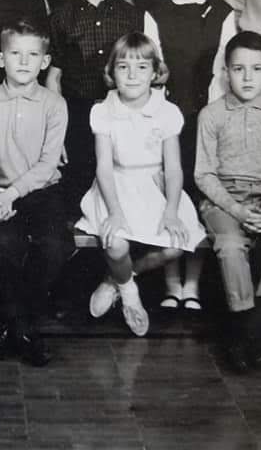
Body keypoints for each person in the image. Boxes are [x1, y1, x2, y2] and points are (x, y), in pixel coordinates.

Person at [79, 33, 206, 337]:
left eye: (142, 67)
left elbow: (173, 168)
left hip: (155, 186)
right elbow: (104, 168)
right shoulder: (103, 111)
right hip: (115, 186)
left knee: (176, 245)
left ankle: (117, 280)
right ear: (112, 73)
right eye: (123, 67)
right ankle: (131, 296)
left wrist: (172, 210)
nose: (132, 75)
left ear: (155, 72)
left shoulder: (167, 112)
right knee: (116, 243)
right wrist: (114, 212)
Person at [195, 31, 261, 373]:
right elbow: (204, 175)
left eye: (256, 69)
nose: (247, 77)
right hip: (224, 199)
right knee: (230, 244)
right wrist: (239, 211)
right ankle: (241, 325)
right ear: (226, 72)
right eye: (238, 69)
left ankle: (256, 327)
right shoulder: (211, 115)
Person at [143, 0, 235, 312]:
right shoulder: (155, 14)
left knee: (198, 198)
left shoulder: (224, 14)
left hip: (207, 120)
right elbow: (152, 68)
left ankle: (193, 283)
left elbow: (225, 72)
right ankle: (170, 282)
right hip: (167, 118)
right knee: (169, 194)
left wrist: (213, 119)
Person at [0, 19, 74, 366]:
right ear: (0, 58)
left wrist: (12, 195)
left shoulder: (54, 104)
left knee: (56, 245)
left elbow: (48, 164)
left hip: (42, 191)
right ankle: (25, 330)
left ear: (44, 62)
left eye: (32, 55)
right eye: (15, 53)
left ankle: (15, 325)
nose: (23, 61)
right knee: (3, 245)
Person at [47, 0, 142, 203]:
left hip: (123, 121)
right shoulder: (60, 18)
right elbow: (53, 78)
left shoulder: (134, 17)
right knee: (77, 199)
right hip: (77, 121)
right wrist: (57, 132)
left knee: (125, 197)